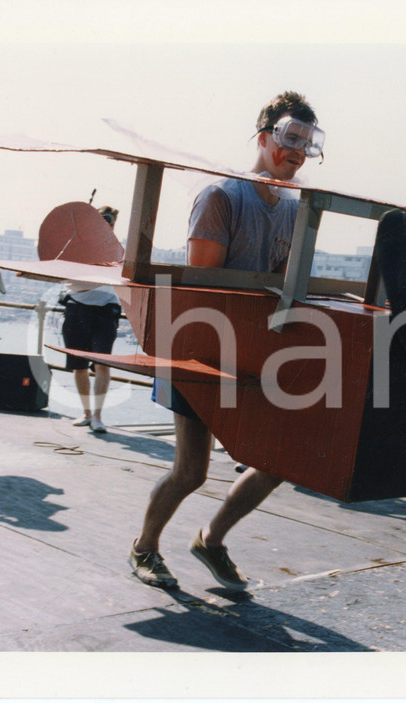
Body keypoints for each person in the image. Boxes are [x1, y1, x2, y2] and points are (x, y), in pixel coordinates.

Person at [130, 91, 324, 590]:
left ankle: (211, 540)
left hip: (250, 354)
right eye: (289, 138)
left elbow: (281, 282)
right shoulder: (221, 196)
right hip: (199, 350)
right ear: (263, 139)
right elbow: (200, 284)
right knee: (191, 471)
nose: (298, 150)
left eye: (308, 142)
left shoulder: (292, 207)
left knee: (276, 462)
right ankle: (145, 547)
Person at [61, 206, 123, 433]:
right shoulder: (76, 245)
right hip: (77, 308)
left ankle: (97, 415)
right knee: (78, 365)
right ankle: (87, 413)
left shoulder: (117, 249)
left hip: (105, 310)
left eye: (110, 223)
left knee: (102, 365)